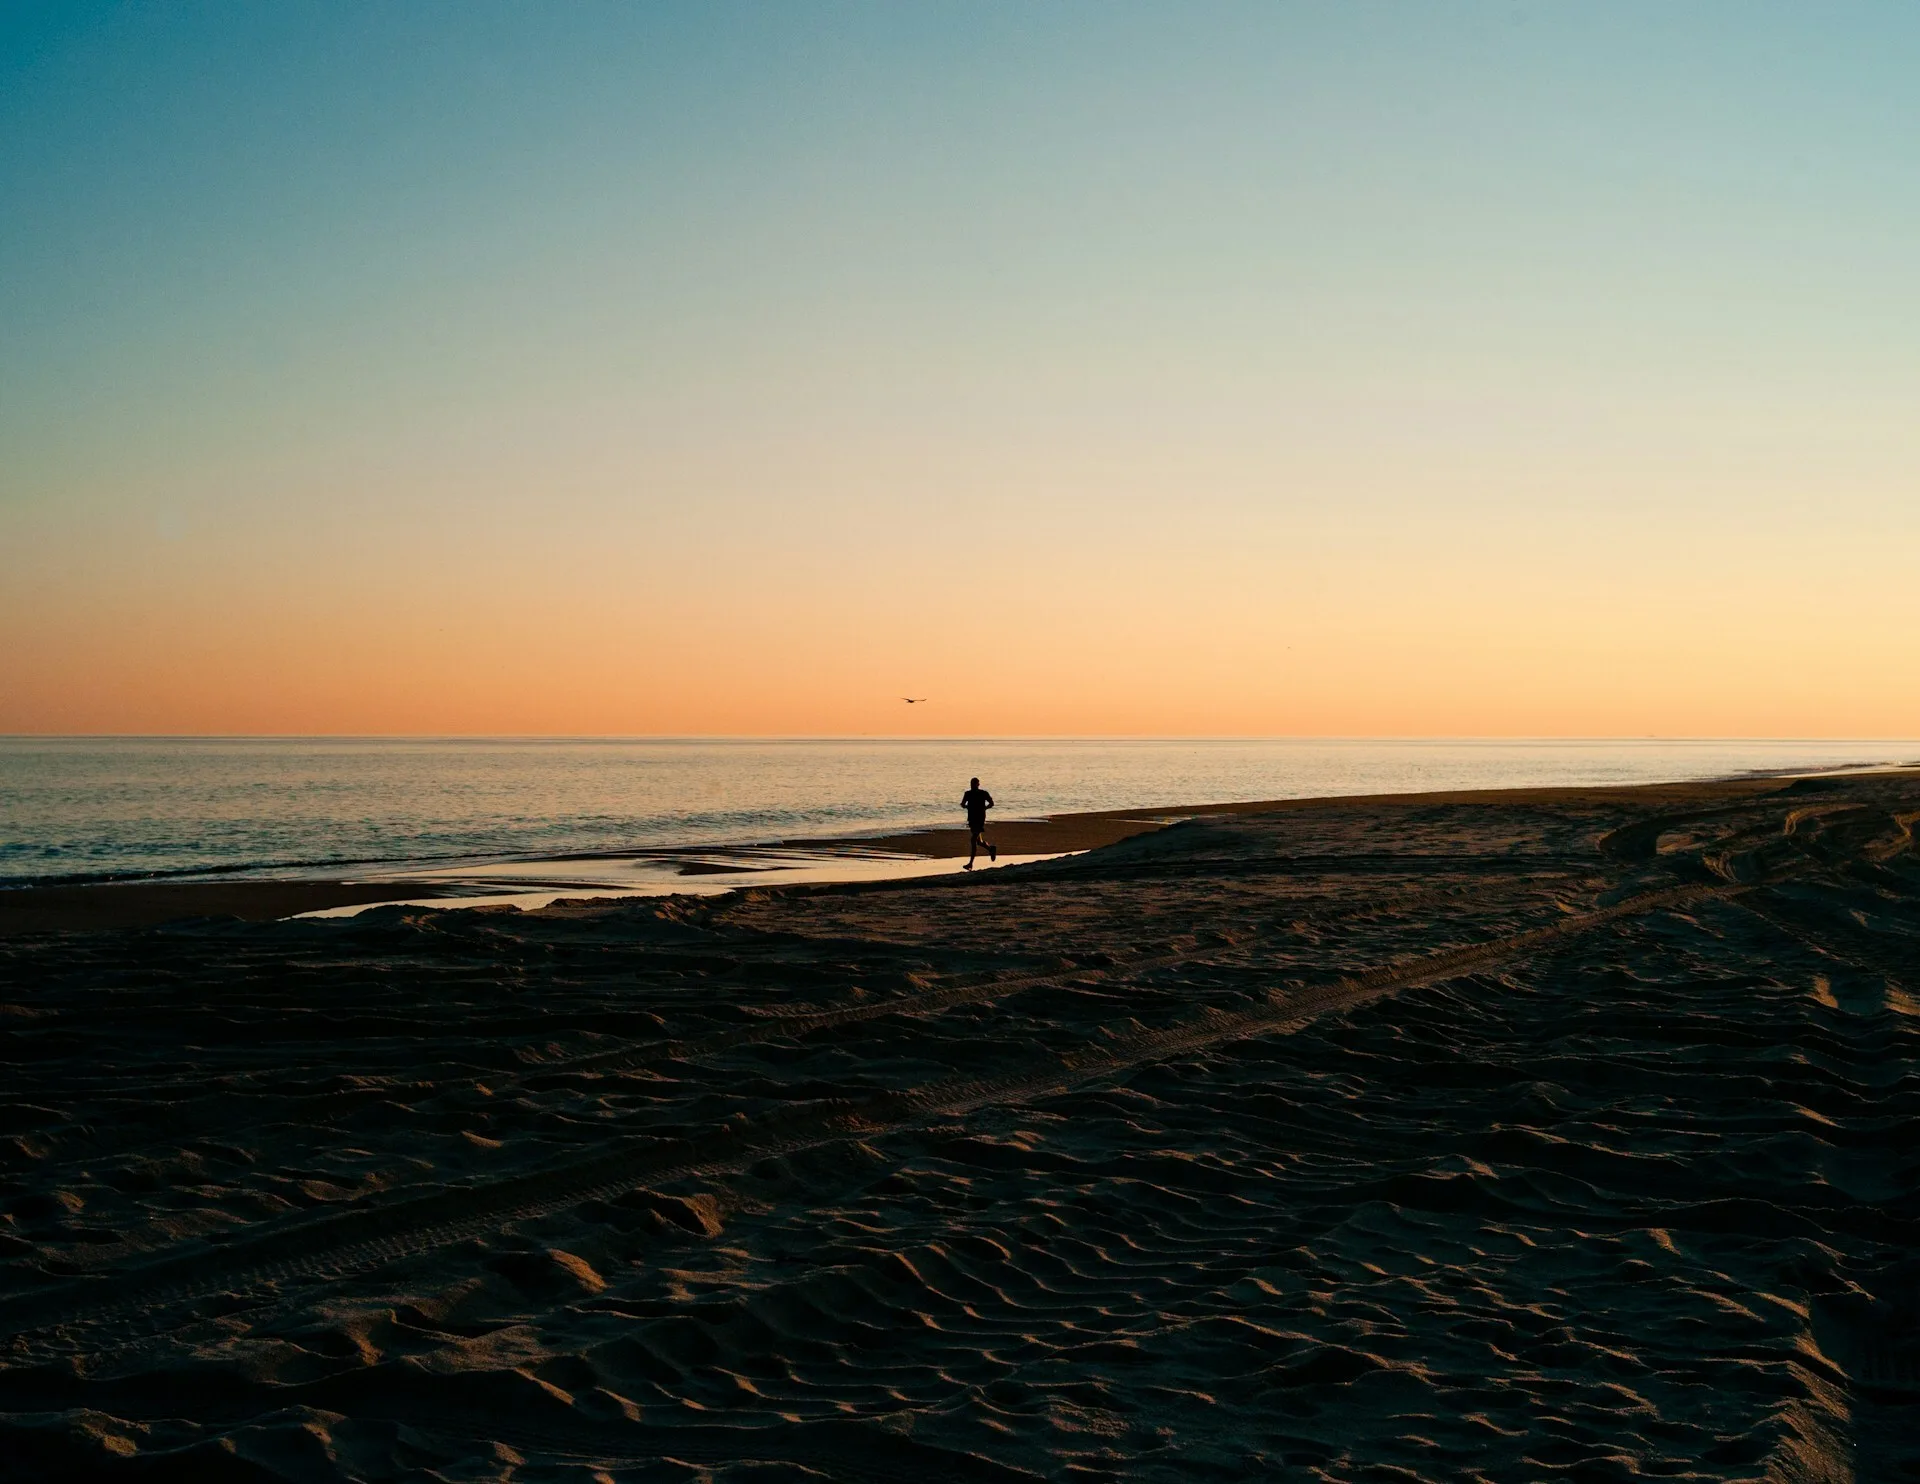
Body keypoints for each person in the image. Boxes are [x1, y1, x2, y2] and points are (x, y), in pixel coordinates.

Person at [961, 777, 996, 870]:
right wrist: (966, 806)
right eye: (971, 784)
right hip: (972, 819)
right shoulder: (967, 794)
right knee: (978, 842)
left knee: (973, 840)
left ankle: (970, 863)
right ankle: (991, 849)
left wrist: (984, 808)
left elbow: (992, 803)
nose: (972, 785)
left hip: (980, 819)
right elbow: (962, 804)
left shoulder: (983, 793)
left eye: (974, 784)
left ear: (978, 784)